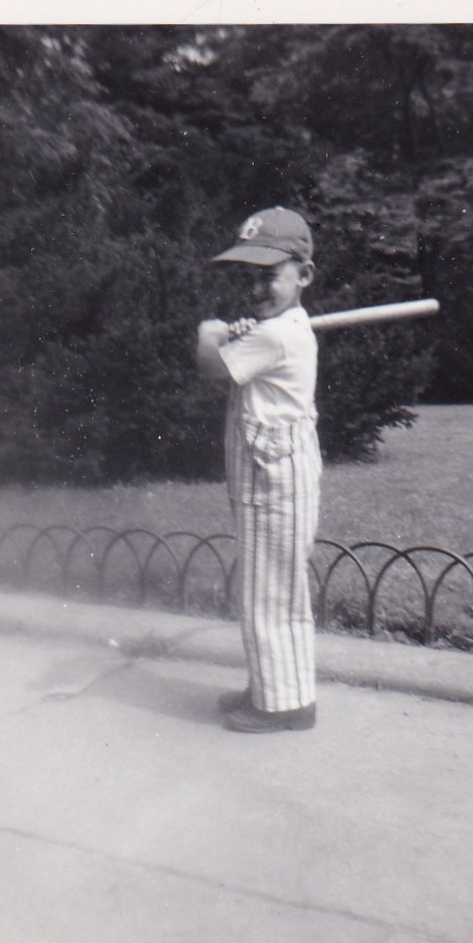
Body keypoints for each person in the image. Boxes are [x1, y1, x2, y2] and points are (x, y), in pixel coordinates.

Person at [197, 207, 322, 734]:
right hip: (270, 470)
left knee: (268, 589)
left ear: (304, 275)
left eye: (271, 274)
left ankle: (282, 706)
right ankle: (275, 686)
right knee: (268, 585)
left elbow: (211, 367)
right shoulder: (277, 328)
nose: (260, 286)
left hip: (274, 478)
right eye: (253, 276)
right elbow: (247, 360)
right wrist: (241, 331)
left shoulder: (277, 336)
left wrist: (210, 333)